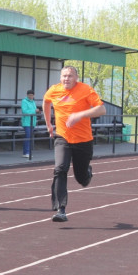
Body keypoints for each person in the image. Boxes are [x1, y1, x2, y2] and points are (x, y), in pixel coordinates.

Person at [43, 65, 106, 222]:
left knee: (81, 178)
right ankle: (61, 209)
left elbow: (101, 109)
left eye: (70, 76)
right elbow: (46, 102)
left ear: (76, 78)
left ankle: (87, 173)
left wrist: (80, 115)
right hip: (62, 137)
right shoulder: (54, 90)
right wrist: (49, 124)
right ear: (60, 77)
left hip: (83, 140)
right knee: (60, 169)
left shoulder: (85, 90)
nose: (66, 78)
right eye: (64, 75)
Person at [20, 89, 39, 157]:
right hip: (27, 122)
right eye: (29, 95)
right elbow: (25, 111)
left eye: (32, 95)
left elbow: (33, 111)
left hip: (32, 121)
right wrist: (34, 110)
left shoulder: (33, 102)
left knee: (29, 137)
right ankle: (26, 152)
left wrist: (36, 111)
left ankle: (27, 152)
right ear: (27, 95)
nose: (31, 96)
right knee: (28, 136)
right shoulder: (24, 101)